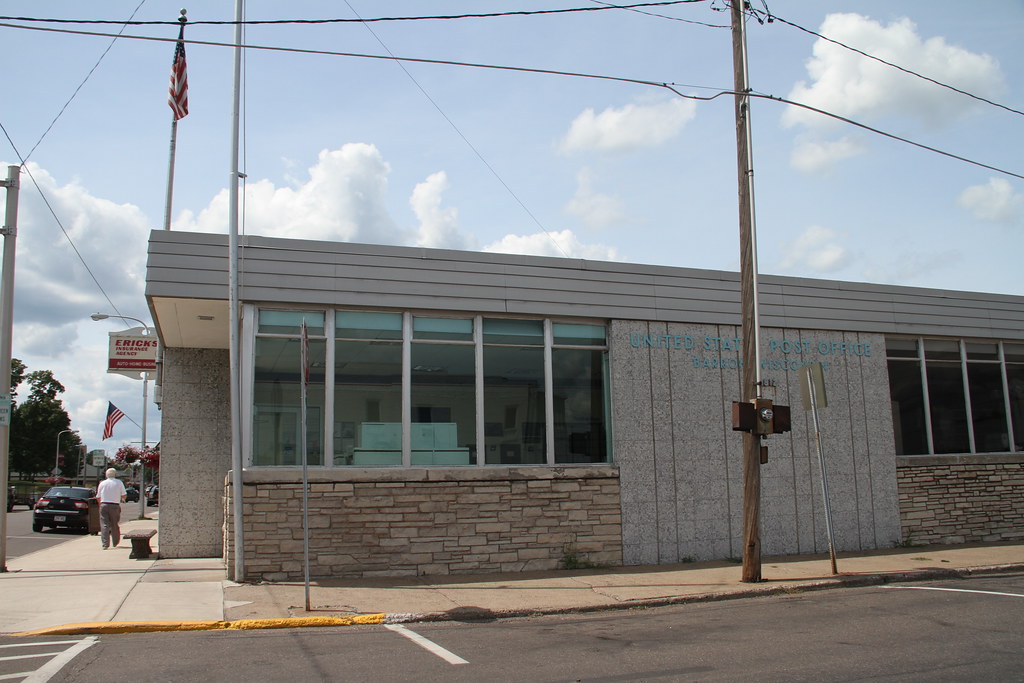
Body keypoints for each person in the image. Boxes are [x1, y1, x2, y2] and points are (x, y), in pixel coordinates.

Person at [96, 468, 127, 549]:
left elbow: (98, 496)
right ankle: (115, 542)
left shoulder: (102, 483)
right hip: (115, 505)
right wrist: (121, 499)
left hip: (104, 504)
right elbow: (124, 495)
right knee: (114, 524)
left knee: (104, 525)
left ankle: (105, 544)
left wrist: (100, 504)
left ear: (106, 475)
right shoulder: (119, 482)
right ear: (115, 474)